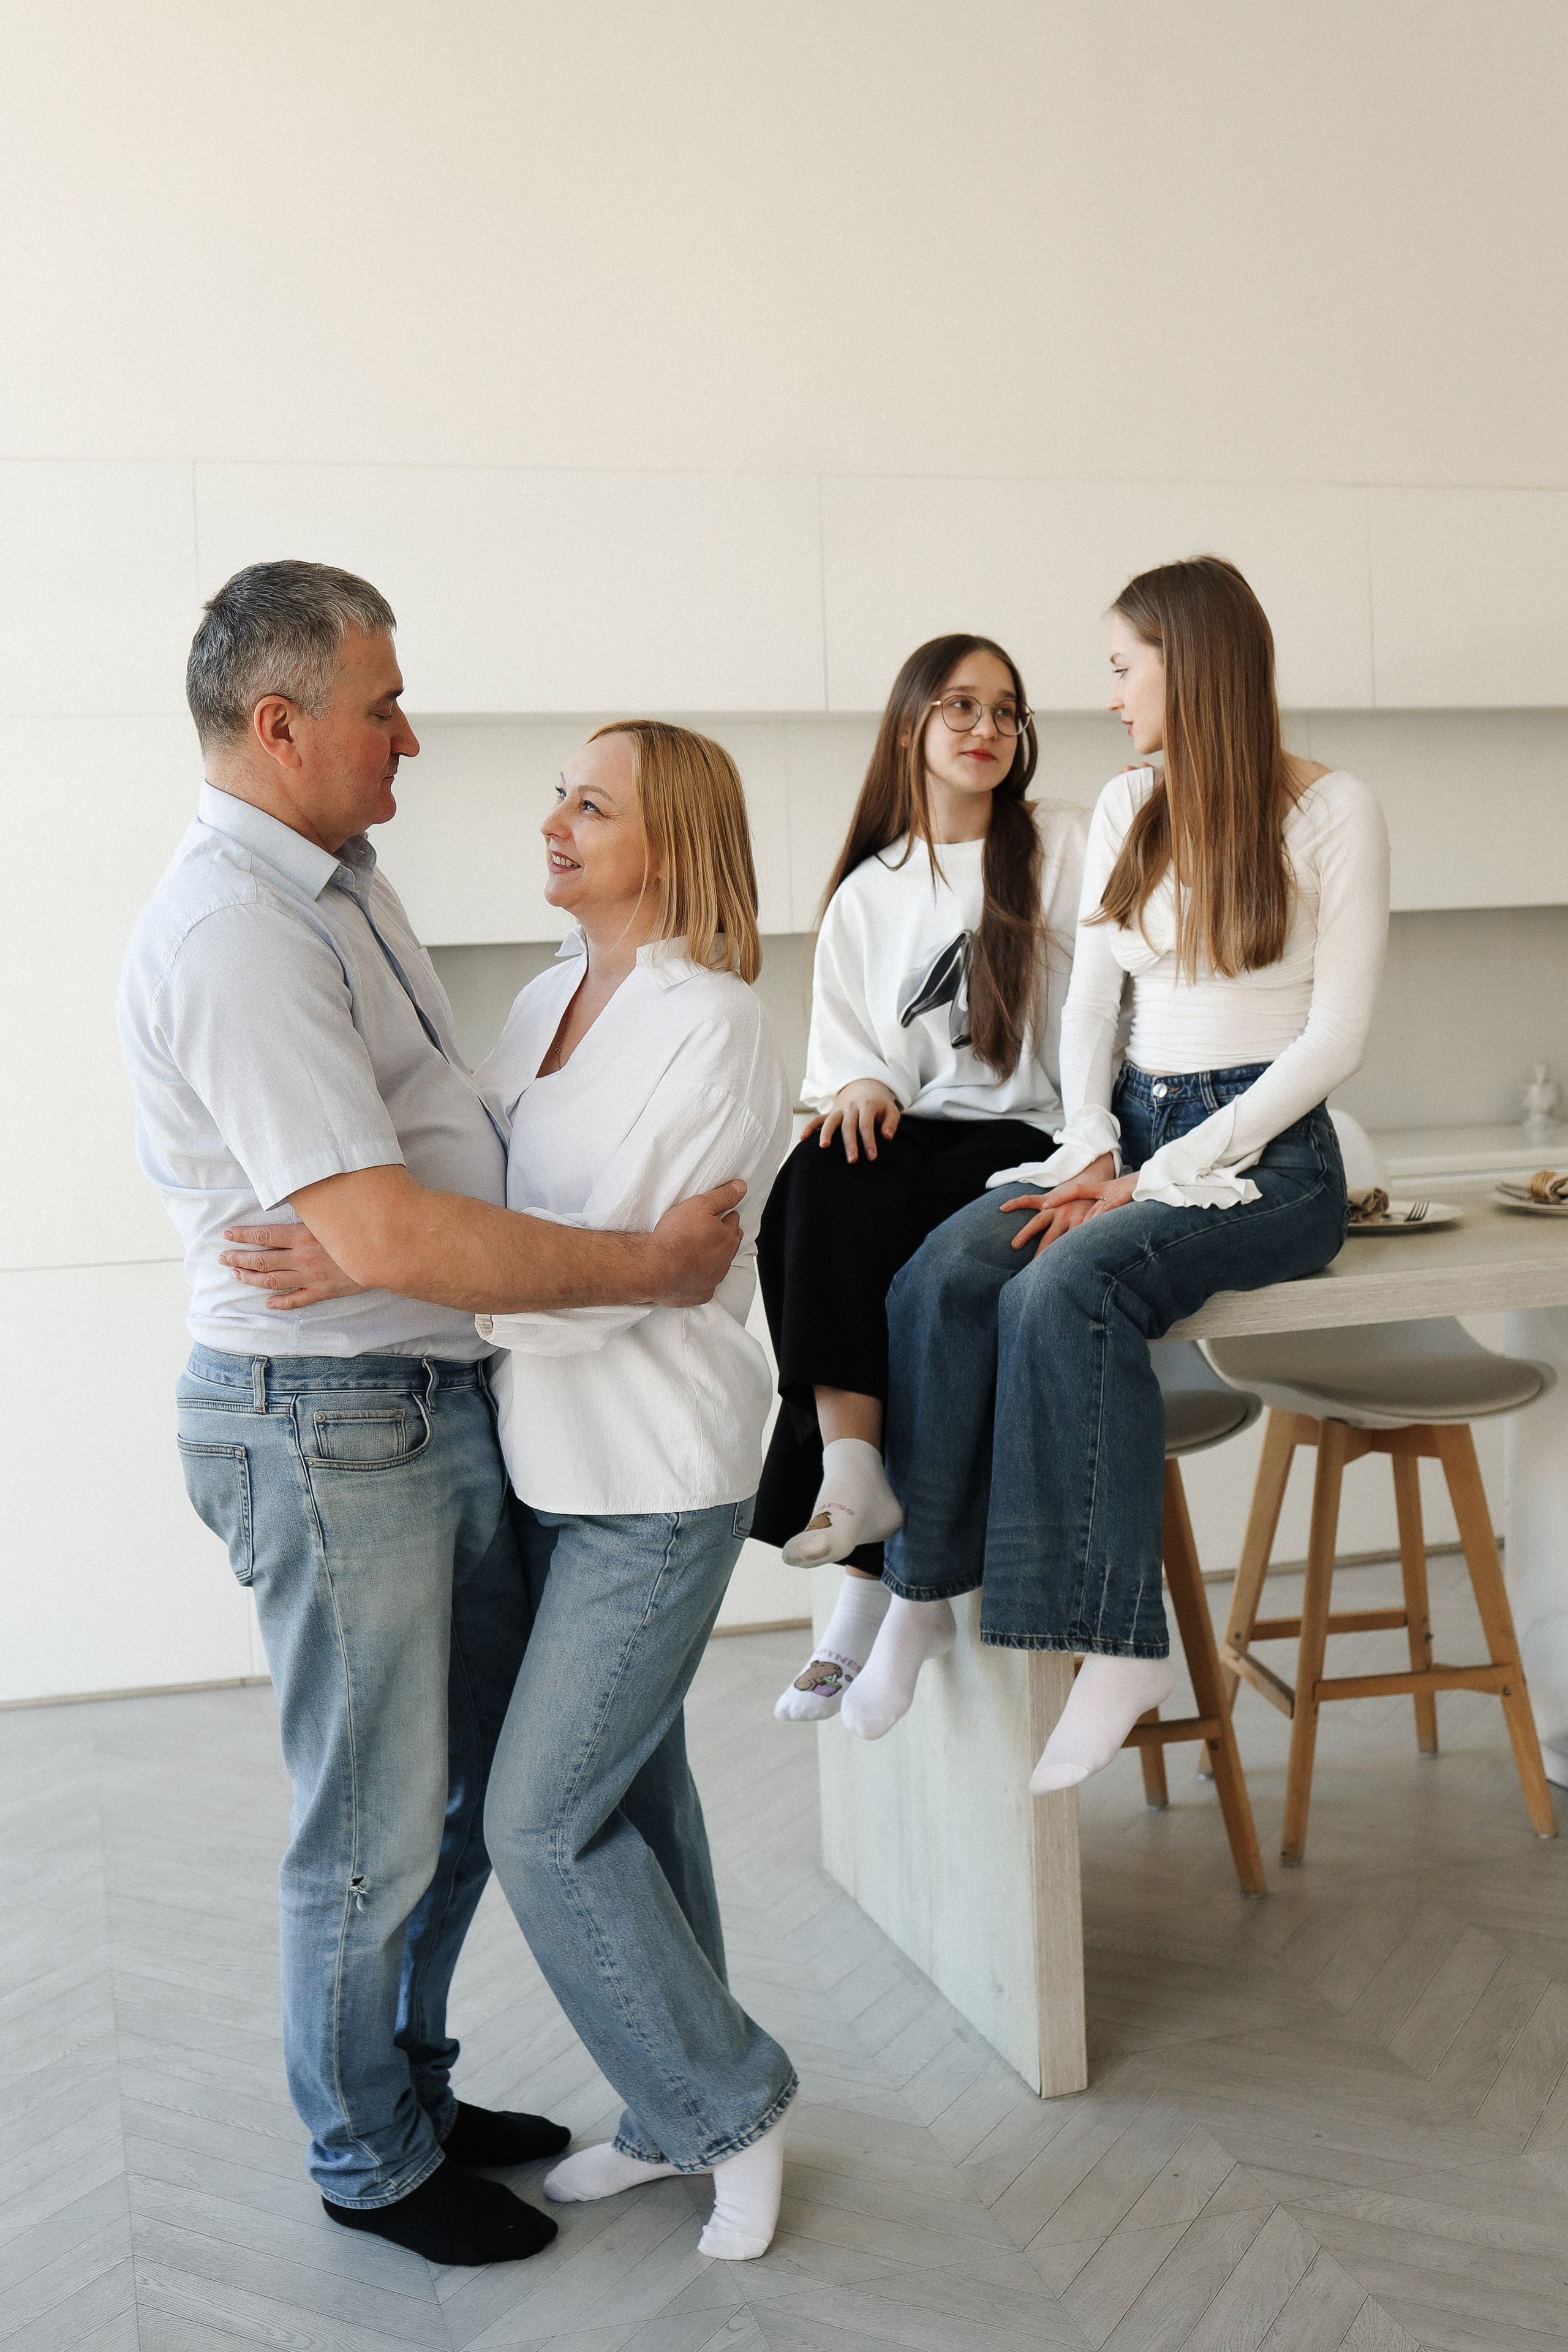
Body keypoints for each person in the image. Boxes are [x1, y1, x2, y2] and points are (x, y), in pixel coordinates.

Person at [118, 563, 746, 2269]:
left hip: (419, 1402)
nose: (413, 734)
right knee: (374, 1829)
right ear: (282, 725)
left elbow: (438, 1139)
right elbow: (382, 1232)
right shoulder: (236, 930)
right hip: (330, 1427)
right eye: (384, 706)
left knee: (463, 1804)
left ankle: (411, 2085)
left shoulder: (341, 880)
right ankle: (366, 2154)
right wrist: (648, 1265)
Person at [246, 721, 801, 2259]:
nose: (552, 822)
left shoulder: (720, 1023)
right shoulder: (549, 997)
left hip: (655, 1476)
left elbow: (639, 1278)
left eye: (592, 805)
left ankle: (732, 2105)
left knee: (542, 1819)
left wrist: (397, 1262)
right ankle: (664, 2108)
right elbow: (477, 1207)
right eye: (559, 794)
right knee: (632, 1796)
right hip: (538, 1462)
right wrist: (389, 1239)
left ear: (670, 844)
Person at [848, 557, 1389, 1777]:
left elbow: (1332, 1038)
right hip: (1127, 1134)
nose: (1106, 696)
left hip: (1267, 1160)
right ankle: (919, 1591)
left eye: (1119, 668)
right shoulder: (1126, 803)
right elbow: (1092, 999)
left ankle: (1120, 1641)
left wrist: (1161, 1174)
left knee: (1065, 1288)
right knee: (939, 1275)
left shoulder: (1332, 810)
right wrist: (1093, 1140)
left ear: (1184, 668)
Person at [751, 635, 1089, 1728]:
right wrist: (853, 1085)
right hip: (916, 1128)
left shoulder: (1062, 850)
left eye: (1006, 710)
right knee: (811, 1185)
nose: (987, 729)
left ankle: (889, 1589)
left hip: (1027, 1133)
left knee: (922, 1291)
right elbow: (849, 1047)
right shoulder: (869, 891)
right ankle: (853, 1469)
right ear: (912, 728)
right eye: (960, 707)